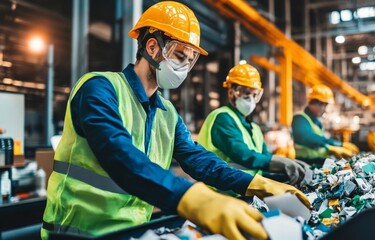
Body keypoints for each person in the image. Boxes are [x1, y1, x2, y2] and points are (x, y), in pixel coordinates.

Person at [41, 2, 309, 240]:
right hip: (78, 231)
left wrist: (256, 184)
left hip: (132, 231)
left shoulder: (167, 113)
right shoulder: (99, 88)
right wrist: (192, 198)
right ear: (152, 46)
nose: (185, 67)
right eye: (181, 55)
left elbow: (199, 160)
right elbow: (118, 154)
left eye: (191, 60)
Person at [198, 63, 307, 185]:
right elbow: (242, 155)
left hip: (246, 188)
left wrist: (287, 164)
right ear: (231, 92)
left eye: (255, 94)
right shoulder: (222, 118)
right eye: (245, 93)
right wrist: (280, 163)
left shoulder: (255, 128)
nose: (250, 99)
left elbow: (263, 158)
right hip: (219, 193)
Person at [292, 84, 359, 166]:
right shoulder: (299, 119)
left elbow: (320, 144)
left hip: (317, 162)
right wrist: (336, 145)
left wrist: (331, 149)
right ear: (317, 103)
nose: (325, 109)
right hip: (305, 164)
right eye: (325, 105)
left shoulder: (317, 122)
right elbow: (309, 138)